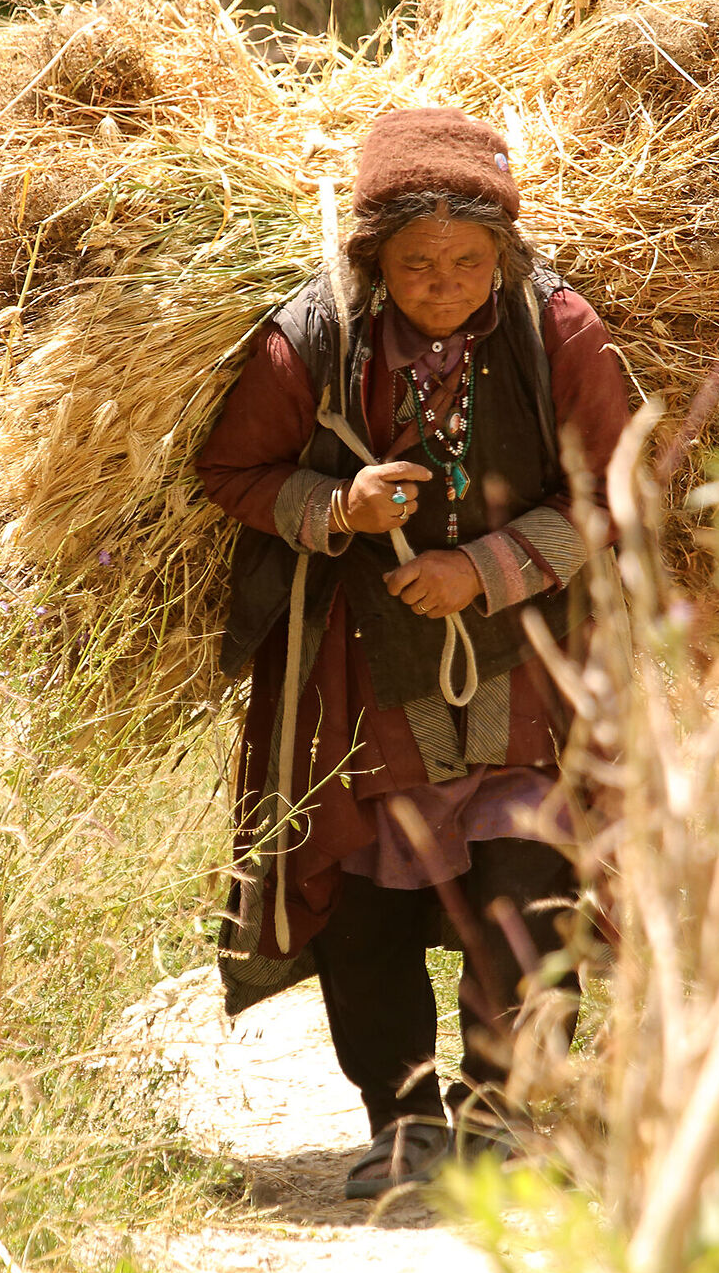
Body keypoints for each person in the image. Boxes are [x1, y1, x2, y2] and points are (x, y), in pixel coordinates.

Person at [196, 107, 635, 1198]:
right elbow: (231, 472)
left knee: (529, 874)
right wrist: (338, 506)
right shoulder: (311, 342)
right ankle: (403, 1124)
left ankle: (493, 1118)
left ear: (506, 254)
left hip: (527, 661)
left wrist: (484, 569)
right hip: (358, 672)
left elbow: (617, 487)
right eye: (417, 265)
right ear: (373, 259)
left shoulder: (557, 332)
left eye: (470, 262)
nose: (444, 284)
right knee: (365, 887)